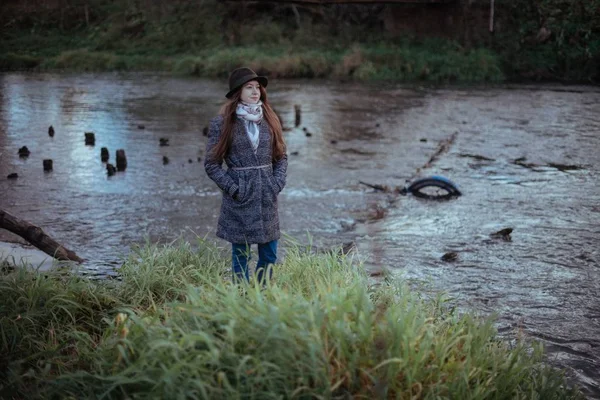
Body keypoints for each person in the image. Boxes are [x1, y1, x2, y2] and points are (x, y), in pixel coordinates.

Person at [204, 67, 287, 284]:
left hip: (267, 196)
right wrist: (234, 188)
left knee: (269, 254)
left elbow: (281, 157)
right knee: (241, 255)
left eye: (257, 87)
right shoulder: (222, 124)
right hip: (239, 200)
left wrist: (276, 183)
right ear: (236, 93)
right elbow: (211, 165)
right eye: (249, 87)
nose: (255, 91)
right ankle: (241, 297)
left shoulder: (270, 119)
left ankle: (261, 294)